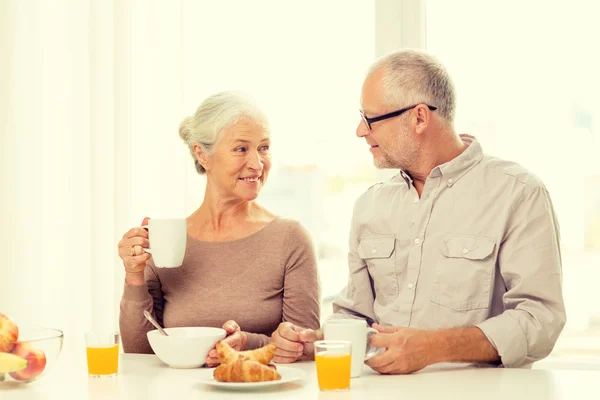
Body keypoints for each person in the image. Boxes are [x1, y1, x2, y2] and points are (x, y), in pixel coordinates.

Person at [271, 49, 566, 373]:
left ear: (419, 117)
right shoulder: (370, 206)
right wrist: (316, 342)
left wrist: (435, 347)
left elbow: (540, 320)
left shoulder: (518, 193)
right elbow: (355, 316)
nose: (360, 130)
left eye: (370, 119)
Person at [118, 91, 320, 366]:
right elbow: (139, 354)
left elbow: (306, 348)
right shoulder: (168, 239)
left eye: (263, 147)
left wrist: (248, 343)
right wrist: (134, 276)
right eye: (241, 149)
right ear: (202, 154)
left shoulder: (290, 239)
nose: (258, 164)